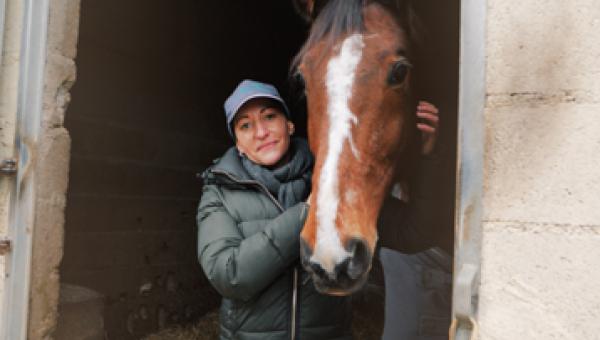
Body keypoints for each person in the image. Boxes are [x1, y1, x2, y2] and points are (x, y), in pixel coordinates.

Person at [196, 80, 352, 340]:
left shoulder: (331, 178)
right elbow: (228, 274)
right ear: (238, 143)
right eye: (246, 125)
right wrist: (306, 213)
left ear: (289, 125)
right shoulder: (219, 191)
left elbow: (412, 231)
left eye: (269, 116)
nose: (260, 132)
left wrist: (430, 157)